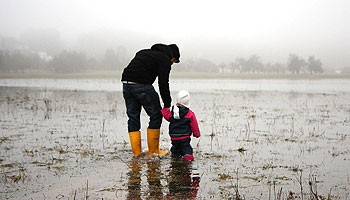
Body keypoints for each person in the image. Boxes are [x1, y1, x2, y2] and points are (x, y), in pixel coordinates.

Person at [121, 43, 180, 157]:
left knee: (133, 118)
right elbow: (163, 83)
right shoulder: (164, 60)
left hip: (126, 84)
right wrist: (167, 104)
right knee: (156, 115)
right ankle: (153, 152)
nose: (173, 63)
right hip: (141, 84)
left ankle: (137, 153)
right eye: (175, 60)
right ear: (172, 56)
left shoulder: (143, 52)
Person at [161, 90, 200, 161]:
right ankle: (188, 158)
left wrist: (164, 109)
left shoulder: (172, 112)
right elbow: (194, 124)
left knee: (175, 147)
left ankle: (175, 157)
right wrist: (196, 133)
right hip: (185, 136)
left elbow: (166, 116)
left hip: (174, 136)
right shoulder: (190, 113)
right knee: (186, 148)